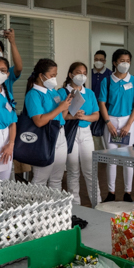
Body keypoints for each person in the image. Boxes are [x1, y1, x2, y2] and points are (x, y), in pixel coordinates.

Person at [98, 48, 134, 202]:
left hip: (127, 121)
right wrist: (108, 123)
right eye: (122, 61)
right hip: (110, 120)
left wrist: (128, 124)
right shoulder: (107, 81)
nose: (125, 64)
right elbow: (102, 103)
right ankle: (111, 192)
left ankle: (127, 192)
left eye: (128, 61)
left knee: (128, 159)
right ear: (115, 62)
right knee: (111, 159)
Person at [24, 58, 72, 189]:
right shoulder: (33, 95)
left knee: (57, 178)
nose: (54, 79)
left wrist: (66, 105)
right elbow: (39, 121)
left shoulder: (53, 92)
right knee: (40, 179)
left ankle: (54, 208)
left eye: (55, 76)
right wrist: (59, 108)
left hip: (60, 134)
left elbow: (61, 116)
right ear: (41, 75)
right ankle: (35, 209)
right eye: (52, 76)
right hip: (44, 137)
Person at [58, 62, 101, 206]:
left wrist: (84, 117)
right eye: (78, 72)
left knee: (90, 171)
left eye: (84, 73)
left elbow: (96, 115)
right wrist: (73, 116)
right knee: (73, 170)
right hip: (70, 133)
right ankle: (75, 205)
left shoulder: (89, 93)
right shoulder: (62, 92)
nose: (81, 76)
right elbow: (60, 116)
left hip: (86, 133)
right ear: (71, 75)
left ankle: (97, 203)